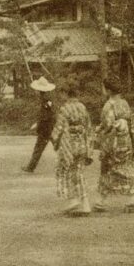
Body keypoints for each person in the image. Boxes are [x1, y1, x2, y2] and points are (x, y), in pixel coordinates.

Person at [95, 78, 134, 213]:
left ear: (108, 90)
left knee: (107, 169)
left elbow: (108, 126)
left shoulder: (109, 105)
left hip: (113, 142)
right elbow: (131, 124)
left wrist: (99, 132)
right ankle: (103, 200)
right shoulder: (124, 103)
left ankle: (103, 200)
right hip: (125, 141)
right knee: (124, 168)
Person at [50, 85, 94, 215]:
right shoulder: (82, 108)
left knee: (67, 171)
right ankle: (85, 203)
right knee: (79, 172)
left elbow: (59, 128)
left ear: (66, 94)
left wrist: (54, 139)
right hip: (81, 144)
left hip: (69, 145)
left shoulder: (65, 109)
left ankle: (73, 199)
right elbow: (88, 127)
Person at [23, 76, 56, 173]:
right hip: (49, 126)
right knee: (56, 145)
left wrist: (38, 124)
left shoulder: (45, 99)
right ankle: (30, 166)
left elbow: (46, 114)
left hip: (45, 127)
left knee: (39, 147)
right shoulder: (46, 98)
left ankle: (30, 167)